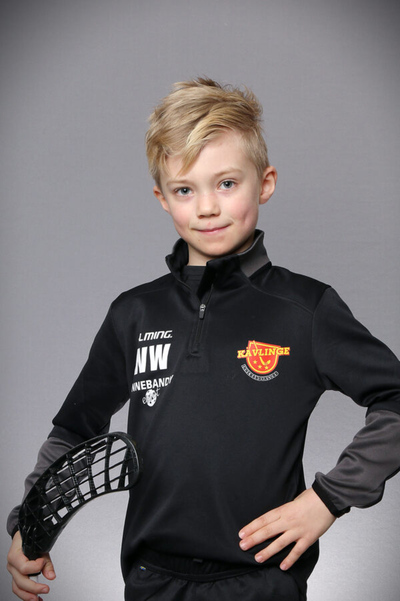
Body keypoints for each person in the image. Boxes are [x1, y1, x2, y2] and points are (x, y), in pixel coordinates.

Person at [7, 78, 400, 601]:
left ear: (265, 183)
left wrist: (326, 500)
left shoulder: (306, 309)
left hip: (262, 582)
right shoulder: (134, 312)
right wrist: (30, 523)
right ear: (162, 199)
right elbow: (72, 431)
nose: (207, 207)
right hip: (151, 581)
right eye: (185, 190)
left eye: (227, 183)